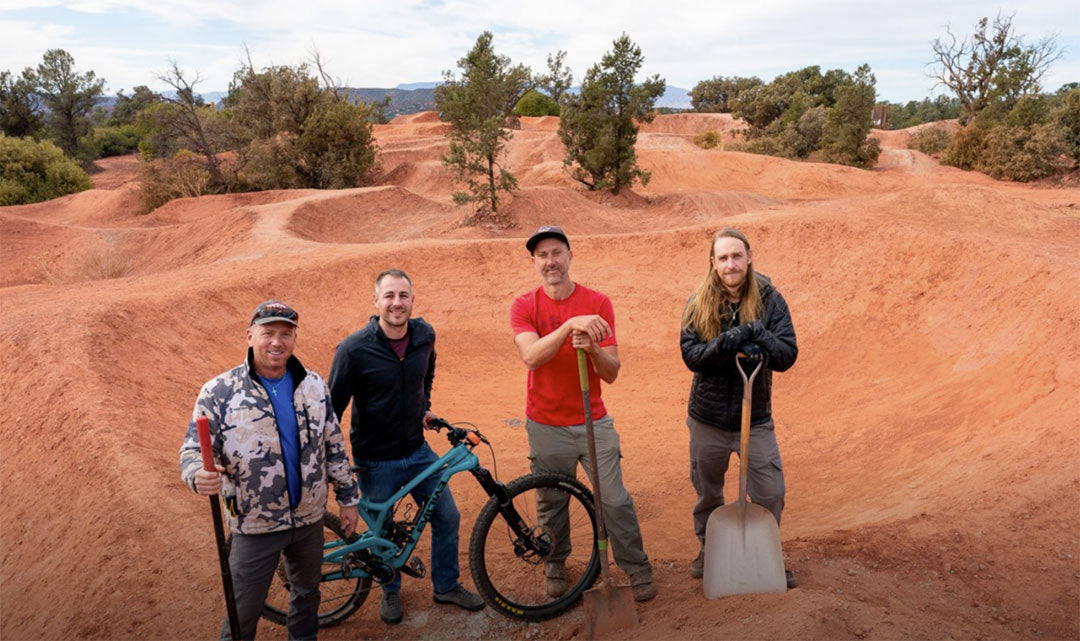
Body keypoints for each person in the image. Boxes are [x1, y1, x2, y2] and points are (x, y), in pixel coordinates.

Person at [179, 300, 360, 641]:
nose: (277, 342)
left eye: (285, 334)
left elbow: (333, 442)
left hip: (309, 519)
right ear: (250, 336)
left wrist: (348, 498)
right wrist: (195, 474)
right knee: (243, 611)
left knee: (307, 595)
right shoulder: (219, 392)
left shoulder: (315, 386)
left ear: (294, 338)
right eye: (268, 333)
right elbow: (193, 449)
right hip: (254, 525)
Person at [327, 269, 485, 625]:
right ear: (376, 301)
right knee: (381, 533)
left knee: (447, 517)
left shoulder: (424, 335)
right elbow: (330, 412)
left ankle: (446, 585)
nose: (397, 303)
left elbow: (427, 369)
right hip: (375, 460)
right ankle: (390, 589)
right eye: (389, 296)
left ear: (413, 300)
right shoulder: (353, 350)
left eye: (403, 296)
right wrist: (331, 462)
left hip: (417, 452)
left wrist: (422, 404)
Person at [509, 225, 657, 602]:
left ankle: (636, 566)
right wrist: (569, 326)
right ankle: (555, 561)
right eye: (542, 255)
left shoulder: (599, 302)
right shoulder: (524, 306)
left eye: (557, 252)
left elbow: (612, 371)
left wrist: (592, 349)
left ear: (570, 256)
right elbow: (530, 356)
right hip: (545, 423)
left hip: (594, 419)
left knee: (614, 498)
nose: (550, 261)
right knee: (551, 498)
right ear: (534, 263)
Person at [679, 228, 799, 588]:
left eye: (736, 256)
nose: (730, 264)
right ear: (713, 264)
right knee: (709, 492)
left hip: (755, 417)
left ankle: (765, 553)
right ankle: (710, 548)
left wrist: (758, 334)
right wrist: (728, 342)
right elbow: (692, 356)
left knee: (770, 491)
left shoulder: (770, 300)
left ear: (748, 258)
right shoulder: (698, 302)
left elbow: (787, 353)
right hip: (708, 419)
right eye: (723, 258)